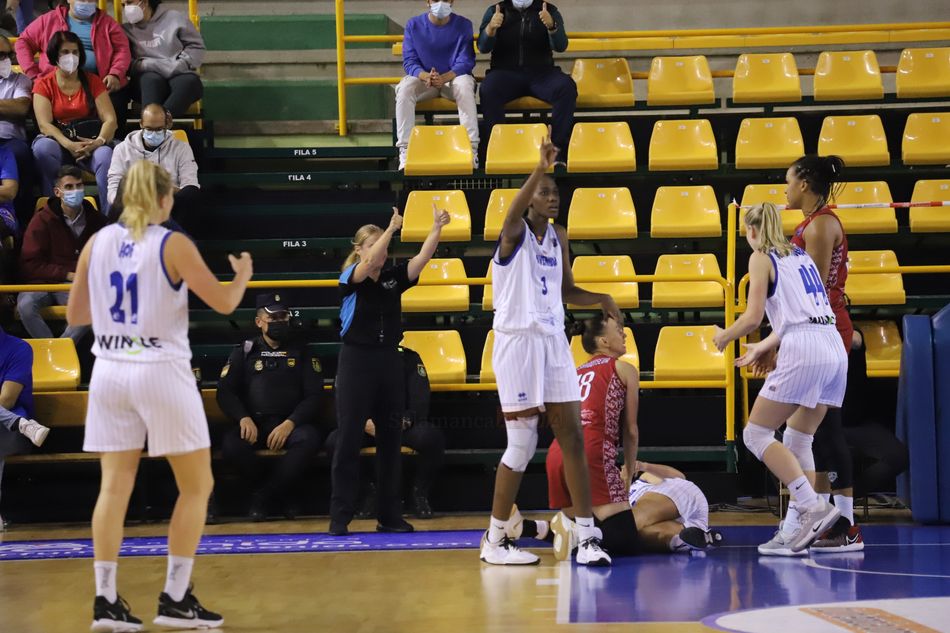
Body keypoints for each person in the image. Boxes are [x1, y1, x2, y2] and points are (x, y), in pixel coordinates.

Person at [66, 160, 252, 630]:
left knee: (114, 486)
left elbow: (77, 313)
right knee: (196, 485)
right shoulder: (172, 243)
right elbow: (226, 303)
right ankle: (174, 597)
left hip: (108, 371)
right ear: (164, 199)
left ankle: (105, 599)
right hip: (159, 369)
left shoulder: (96, 242)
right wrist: (243, 275)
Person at [480, 138, 615, 567]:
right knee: (521, 445)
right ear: (531, 198)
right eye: (545, 191)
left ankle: (588, 534)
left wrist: (601, 298)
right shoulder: (514, 233)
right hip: (517, 342)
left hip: (553, 341)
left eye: (556, 192)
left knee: (572, 435)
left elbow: (567, 290)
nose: (552, 197)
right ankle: (495, 539)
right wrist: (537, 169)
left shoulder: (559, 237)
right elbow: (510, 212)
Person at [523, 315, 721, 558]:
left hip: (557, 451)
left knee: (589, 523)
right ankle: (572, 535)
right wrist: (628, 468)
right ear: (603, 340)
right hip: (591, 449)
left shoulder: (574, 372)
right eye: (619, 330)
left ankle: (538, 528)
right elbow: (630, 430)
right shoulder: (624, 368)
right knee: (624, 538)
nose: (625, 334)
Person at [712, 202, 844, 555]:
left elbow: (754, 317)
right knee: (800, 439)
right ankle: (793, 529)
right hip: (832, 346)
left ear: (750, 231)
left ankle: (812, 505)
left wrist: (726, 335)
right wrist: (762, 348)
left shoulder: (760, 257)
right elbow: (798, 318)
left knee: (755, 434)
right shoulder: (799, 255)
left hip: (804, 349)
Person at [330, 203, 450, 537]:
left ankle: (389, 515)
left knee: (390, 440)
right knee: (349, 439)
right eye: (375, 243)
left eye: (384, 244)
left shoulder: (392, 279)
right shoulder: (350, 279)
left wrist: (436, 228)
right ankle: (340, 515)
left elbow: (420, 261)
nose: (382, 250)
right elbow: (369, 263)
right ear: (359, 250)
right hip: (356, 361)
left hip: (388, 362)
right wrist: (391, 229)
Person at [782, 154, 862, 553]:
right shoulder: (816, 222)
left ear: (805, 185)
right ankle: (835, 522)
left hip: (823, 329)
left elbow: (808, 293)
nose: (785, 188)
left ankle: (841, 525)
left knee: (822, 431)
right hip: (825, 328)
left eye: (789, 181)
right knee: (821, 430)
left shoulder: (819, 226)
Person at [216, 292, 324, 521]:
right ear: (259, 322)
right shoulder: (245, 352)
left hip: (290, 425)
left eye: (283, 317)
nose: (279, 322)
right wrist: (243, 418)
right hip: (255, 424)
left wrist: (290, 423)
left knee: (310, 438)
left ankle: (263, 498)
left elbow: (314, 396)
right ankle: (280, 493)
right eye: (273, 318)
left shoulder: (302, 350)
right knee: (231, 444)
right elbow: (225, 392)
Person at [324, 345, 446, 520]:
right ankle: (368, 493)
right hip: (364, 426)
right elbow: (341, 398)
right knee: (334, 442)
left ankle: (419, 494)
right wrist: (362, 422)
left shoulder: (408, 358)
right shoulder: (352, 358)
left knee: (430, 437)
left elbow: (420, 397)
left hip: (398, 425)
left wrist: (401, 421)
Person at [31, 30, 117, 217]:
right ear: (54, 55)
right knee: (43, 149)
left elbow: (110, 119)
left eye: (75, 52)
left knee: (106, 155)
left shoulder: (92, 81)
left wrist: (98, 142)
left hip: (89, 144)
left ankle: (108, 219)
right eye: (65, 52)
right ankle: (53, 213)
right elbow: (45, 125)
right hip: (59, 143)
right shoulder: (43, 84)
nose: (71, 57)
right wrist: (69, 144)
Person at [477, 1, 574, 161]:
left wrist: (552, 26)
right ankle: (499, 150)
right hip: (506, 73)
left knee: (566, 87)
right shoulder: (496, 10)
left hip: (542, 74)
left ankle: (556, 153)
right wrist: (491, 28)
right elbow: (483, 47)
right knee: (488, 88)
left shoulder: (549, 9)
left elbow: (561, 45)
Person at [18, 165, 106, 343]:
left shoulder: (97, 220)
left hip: (78, 287)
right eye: (69, 187)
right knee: (25, 306)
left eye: (79, 186)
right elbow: (30, 265)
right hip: (42, 284)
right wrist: (67, 274)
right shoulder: (41, 220)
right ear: (57, 192)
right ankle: (58, 351)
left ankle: (59, 350)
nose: (76, 191)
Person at [15, 0, 131, 127]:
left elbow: (122, 50)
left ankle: (114, 142)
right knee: (41, 96)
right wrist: (32, 73)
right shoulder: (48, 20)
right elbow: (23, 42)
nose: (87, 2)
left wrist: (115, 73)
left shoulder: (108, 23)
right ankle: (50, 139)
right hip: (55, 83)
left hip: (100, 83)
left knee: (118, 96)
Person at [396, 0, 477, 171]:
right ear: (428, 2)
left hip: (452, 80)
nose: (441, 3)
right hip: (426, 81)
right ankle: (405, 150)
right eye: (435, 0)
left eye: (446, 0)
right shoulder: (413, 25)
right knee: (404, 88)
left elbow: (466, 61)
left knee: (465, 85)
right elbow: (409, 61)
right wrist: (426, 76)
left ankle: (471, 149)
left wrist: (444, 77)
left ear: (452, 2)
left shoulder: (464, 24)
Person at [842, 330, 908, 502]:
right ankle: (817, 504)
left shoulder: (851, 334)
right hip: (821, 425)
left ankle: (844, 500)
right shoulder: (807, 342)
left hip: (856, 424)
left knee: (898, 456)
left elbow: (855, 339)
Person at [107, 103, 199, 225]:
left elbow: (190, 184)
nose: (153, 134)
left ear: (167, 125)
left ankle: (177, 237)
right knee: (117, 204)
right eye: (149, 129)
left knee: (191, 195)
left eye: (159, 129)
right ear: (141, 124)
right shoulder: (122, 149)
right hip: (135, 204)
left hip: (168, 202)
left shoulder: (181, 148)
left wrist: (165, 192)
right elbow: (114, 187)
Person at [0, 325, 51, 531]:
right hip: (21, 427)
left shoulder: (19, 348)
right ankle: (23, 425)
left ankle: (18, 423)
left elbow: (6, 399)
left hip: (10, 434)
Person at [121, 0, 204, 118]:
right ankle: (154, 127)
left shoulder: (175, 18)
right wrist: (144, 65)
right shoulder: (125, 30)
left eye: (129, 2)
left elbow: (196, 47)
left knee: (189, 82)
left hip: (178, 72)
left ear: (145, 2)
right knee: (150, 80)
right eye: (123, 5)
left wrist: (182, 63)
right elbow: (124, 60)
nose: (126, 8)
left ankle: (158, 126)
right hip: (146, 77)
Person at [0, 35, 35, 227]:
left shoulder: (20, 80)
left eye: (8, 55)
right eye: (0, 55)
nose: (6, 60)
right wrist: (6, 108)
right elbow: (11, 107)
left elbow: (21, 108)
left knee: (19, 153)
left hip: (9, 140)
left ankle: (21, 221)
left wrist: (11, 108)